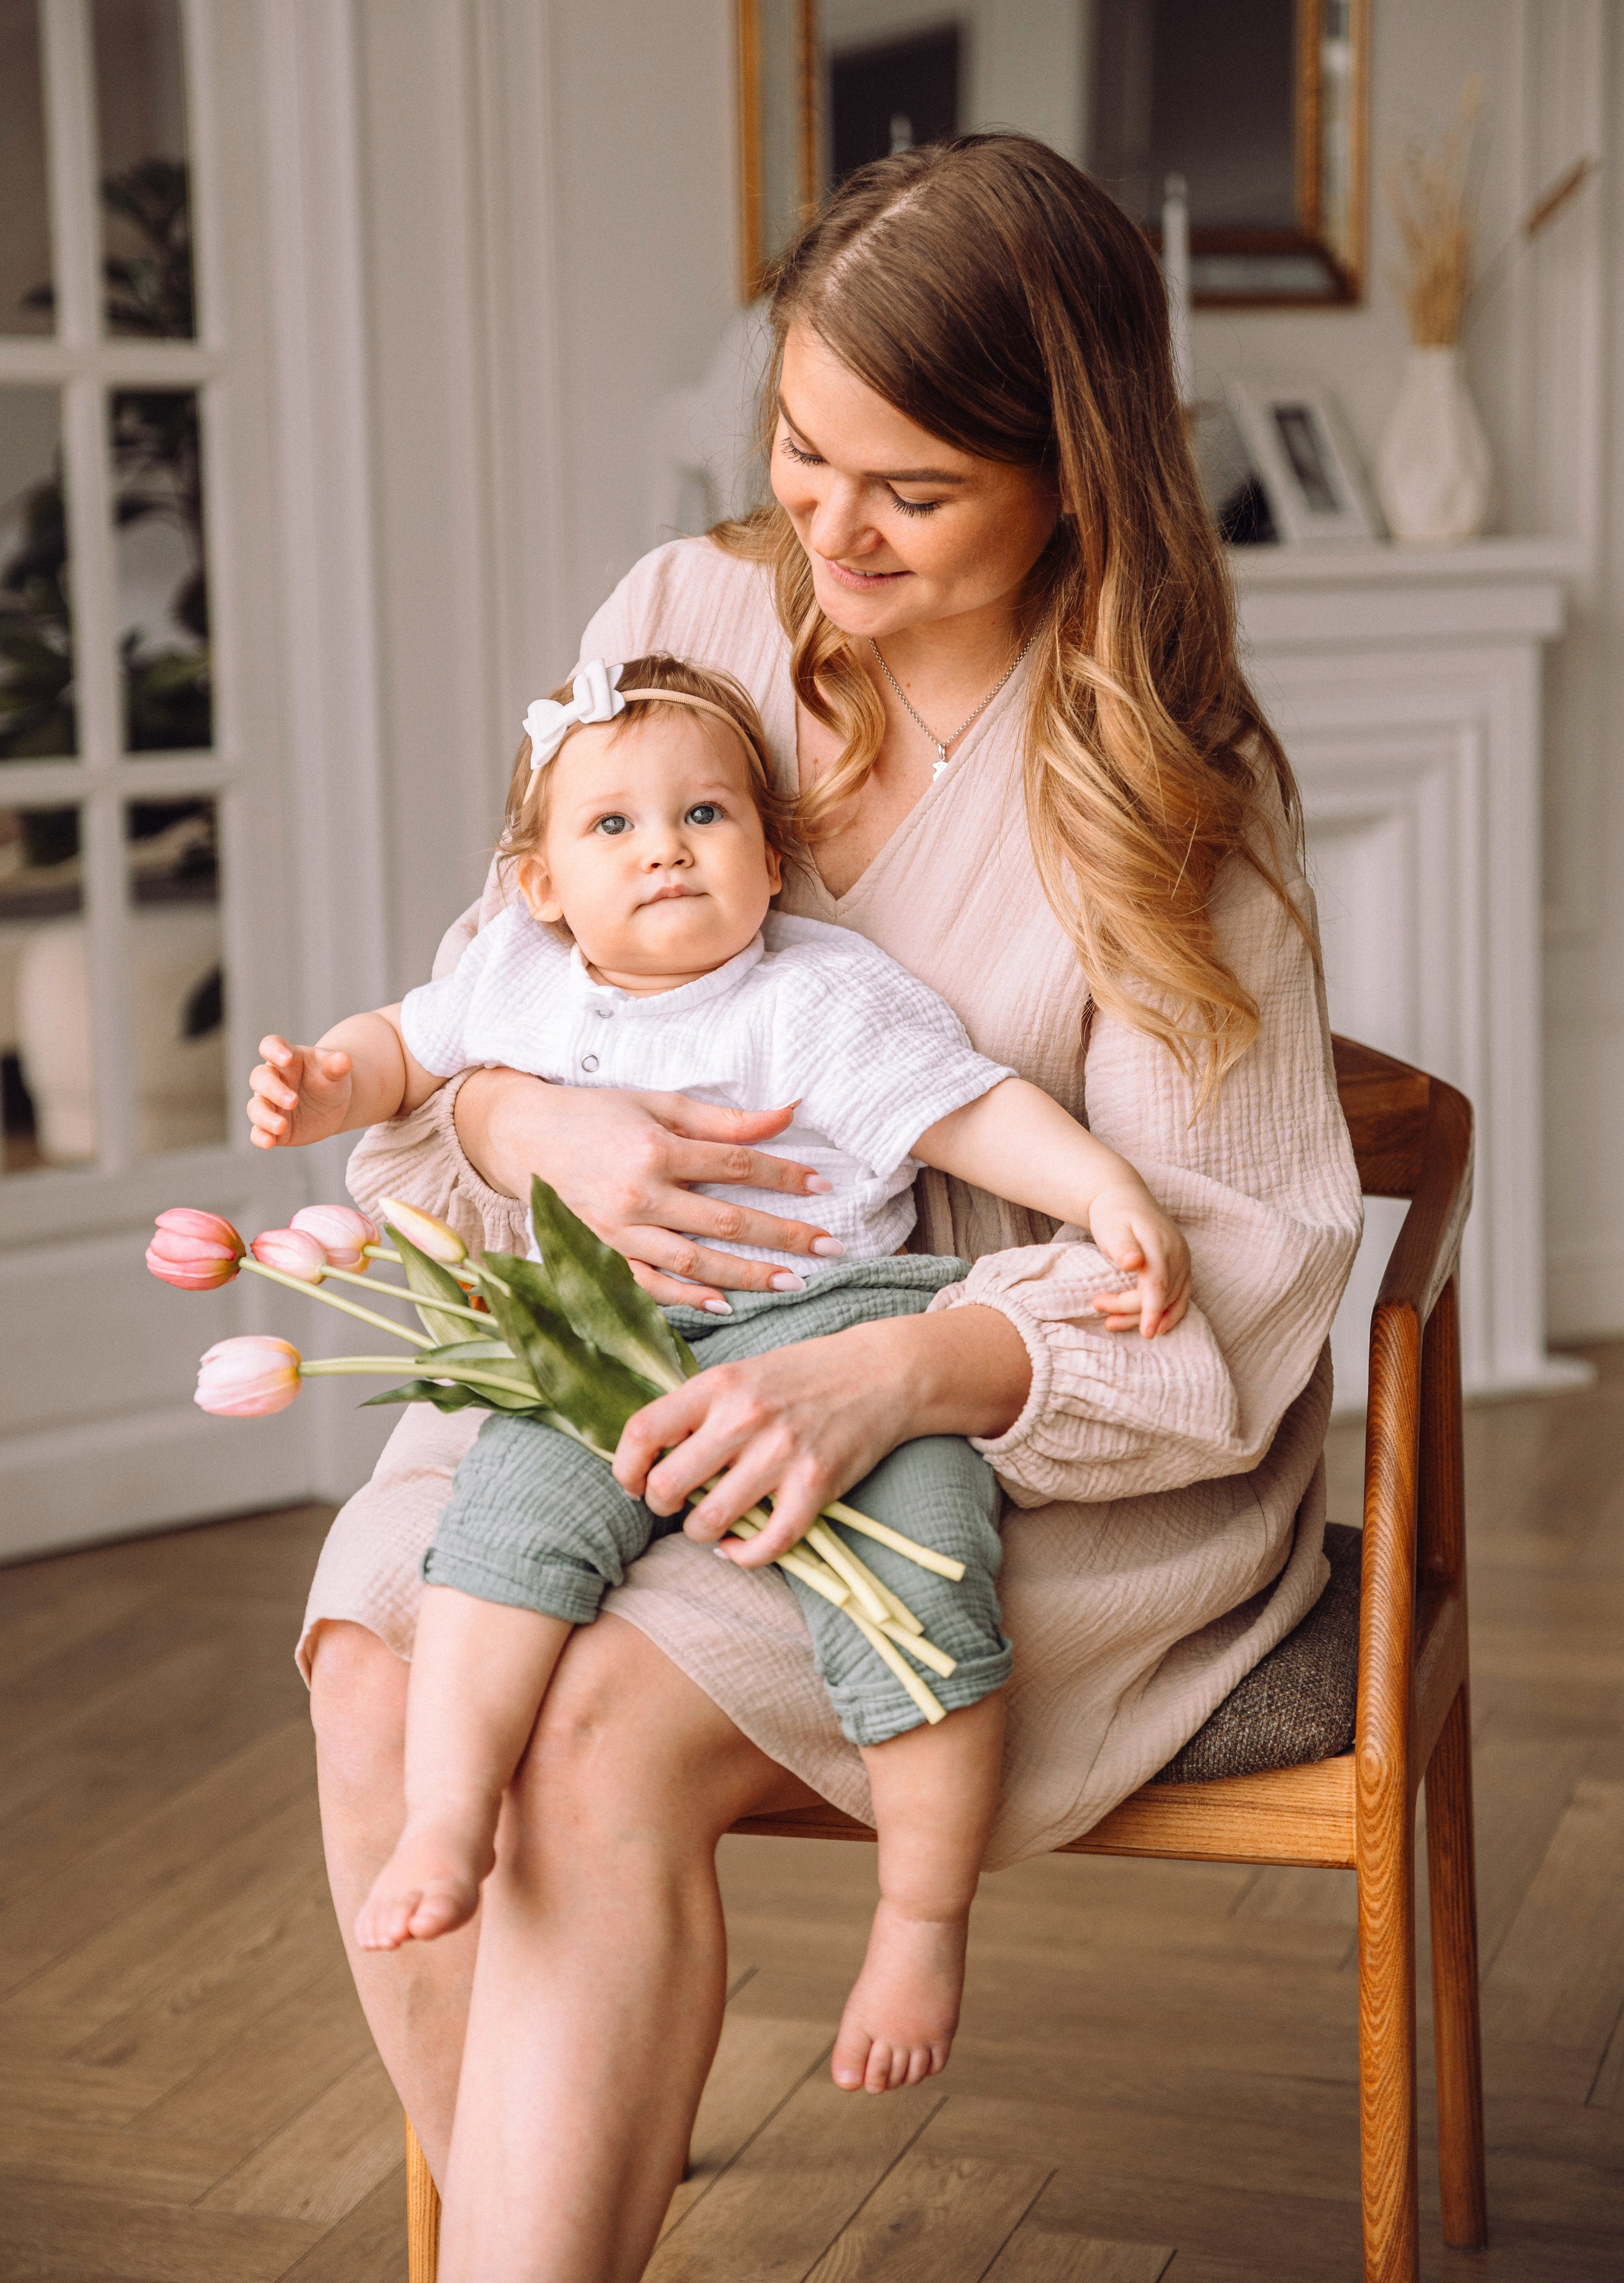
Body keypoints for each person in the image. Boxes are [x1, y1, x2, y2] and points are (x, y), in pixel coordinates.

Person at [299, 133, 1363, 2280]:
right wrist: (524, 1126)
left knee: (591, 1733)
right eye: (801, 449)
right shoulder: (678, 619)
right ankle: (539, 2216)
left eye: (913, 490)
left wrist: (890, 1375)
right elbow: (494, 986)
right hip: (616, 1336)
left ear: (1073, 475)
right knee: (376, 1666)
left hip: (1015, 1445)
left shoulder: (1172, 788)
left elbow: (1232, 1276)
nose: (829, 529)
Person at [250, 648, 1193, 2090]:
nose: (665, 850)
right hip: (605, 1340)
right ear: (540, 884)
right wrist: (329, 1081)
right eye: (613, 825)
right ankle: (448, 1814)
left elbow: (969, 1113)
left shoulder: (814, 996)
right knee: (498, 1533)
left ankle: (920, 1919)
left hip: (834, 1328)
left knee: (924, 1573)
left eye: (704, 815)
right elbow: (401, 1048)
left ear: (770, 856)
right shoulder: (516, 980)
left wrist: (1100, 1189)